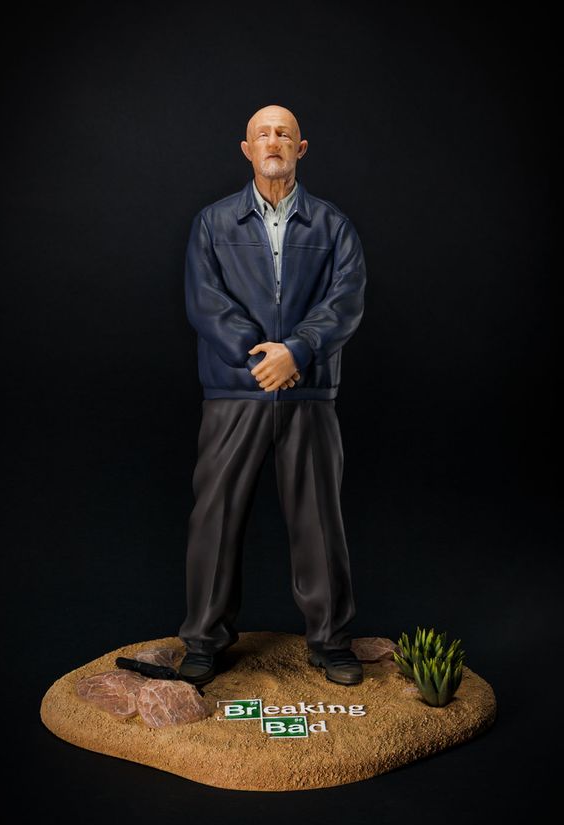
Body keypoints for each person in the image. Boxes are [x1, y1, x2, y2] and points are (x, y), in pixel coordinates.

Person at [177, 105, 367, 686]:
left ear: (300, 148)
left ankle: (331, 641)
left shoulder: (333, 225)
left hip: (309, 393)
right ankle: (204, 640)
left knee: (319, 519)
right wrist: (261, 357)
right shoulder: (212, 223)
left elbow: (346, 300)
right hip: (234, 391)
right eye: (263, 134)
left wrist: (298, 351)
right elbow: (204, 300)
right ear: (247, 149)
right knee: (215, 516)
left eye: (284, 133)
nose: (273, 141)